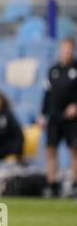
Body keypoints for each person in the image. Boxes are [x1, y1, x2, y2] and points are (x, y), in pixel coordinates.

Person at [38, 38, 77, 198]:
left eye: (69, 49)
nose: (66, 52)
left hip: (72, 118)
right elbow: (47, 94)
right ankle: (51, 184)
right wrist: (42, 114)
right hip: (54, 116)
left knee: (74, 149)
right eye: (63, 49)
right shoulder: (53, 70)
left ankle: (74, 185)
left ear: (73, 50)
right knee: (50, 149)